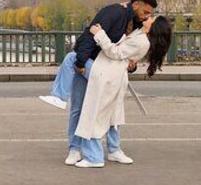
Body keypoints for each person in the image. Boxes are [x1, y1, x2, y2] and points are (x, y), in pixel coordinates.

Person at [42, 0, 158, 166]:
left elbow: (124, 52)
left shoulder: (135, 22)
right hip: (93, 64)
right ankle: (78, 149)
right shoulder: (113, 12)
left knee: (107, 109)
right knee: (81, 107)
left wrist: (131, 64)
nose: (147, 16)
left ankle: (104, 148)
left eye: (150, 14)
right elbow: (90, 36)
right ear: (137, 4)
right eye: (146, 12)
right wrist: (81, 61)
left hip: (106, 69)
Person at [73, 15, 172, 168]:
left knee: (95, 114)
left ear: (154, 26)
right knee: (112, 115)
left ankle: (94, 157)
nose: (148, 17)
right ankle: (113, 149)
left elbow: (115, 52)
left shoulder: (141, 40)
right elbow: (124, 55)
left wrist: (99, 34)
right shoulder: (140, 36)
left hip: (108, 75)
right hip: (115, 76)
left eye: (152, 18)